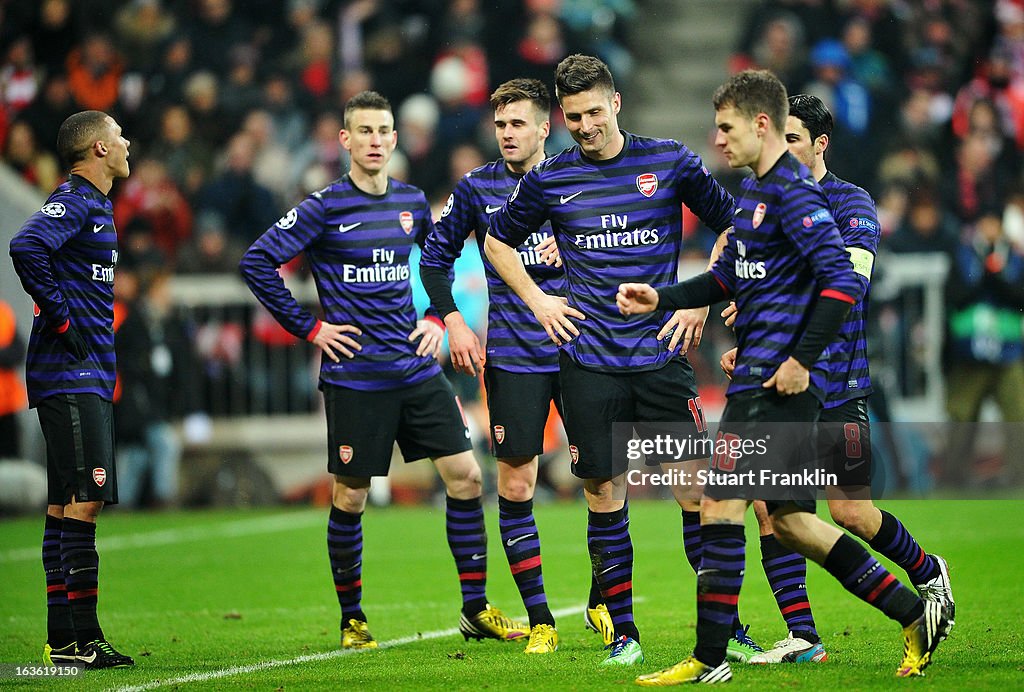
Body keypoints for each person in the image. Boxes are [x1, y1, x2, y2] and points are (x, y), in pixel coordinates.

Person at [617, 70, 952, 685]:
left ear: (759, 124)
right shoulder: (754, 195)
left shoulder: (798, 195)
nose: (717, 140)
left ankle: (710, 658)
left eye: (726, 127)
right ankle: (911, 613)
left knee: (724, 503)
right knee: (792, 522)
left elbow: (844, 280)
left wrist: (801, 360)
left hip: (785, 383)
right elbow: (729, 280)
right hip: (758, 381)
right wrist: (659, 297)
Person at [239, 90, 526, 650]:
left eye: (383, 131)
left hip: (415, 369)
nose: (375, 141)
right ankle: (352, 619)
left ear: (396, 139)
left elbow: (436, 263)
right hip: (356, 376)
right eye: (363, 131)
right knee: (351, 496)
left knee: (467, 477)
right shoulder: (323, 206)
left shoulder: (413, 202)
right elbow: (256, 261)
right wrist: (311, 328)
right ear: (345, 140)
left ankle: (475, 608)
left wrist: (437, 318)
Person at [484, 55, 740, 666]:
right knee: (604, 490)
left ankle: (723, 630)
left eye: (595, 112)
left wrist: (702, 299)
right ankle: (623, 634)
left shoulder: (670, 161)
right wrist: (539, 300)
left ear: (617, 103)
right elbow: (496, 240)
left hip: (660, 354)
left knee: (695, 493)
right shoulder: (549, 180)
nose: (585, 126)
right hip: (589, 360)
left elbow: (736, 225)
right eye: (573, 116)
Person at [718, 93, 955, 665]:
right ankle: (803, 634)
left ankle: (927, 575)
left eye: (793, 138)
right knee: (768, 508)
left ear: (820, 144)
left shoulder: (852, 204)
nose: (782, 147)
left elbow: (849, 287)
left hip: (839, 382)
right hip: (779, 383)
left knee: (849, 512)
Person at [422, 77, 598, 655]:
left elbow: (618, 248)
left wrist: (569, 255)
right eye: (500, 125)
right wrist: (450, 318)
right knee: (516, 482)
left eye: (518, 123)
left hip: (582, 351)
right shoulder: (476, 188)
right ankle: (541, 618)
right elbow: (433, 259)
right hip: (516, 357)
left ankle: (607, 602)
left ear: (545, 127)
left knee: (601, 480)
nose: (507, 134)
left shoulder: (581, 175)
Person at [9, 110, 135, 668]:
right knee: (84, 503)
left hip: (84, 372)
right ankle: (84, 638)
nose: (126, 140)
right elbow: (25, 246)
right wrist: (62, 319)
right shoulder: (76, 201)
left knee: (64, 505)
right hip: (70, 373)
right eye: (118, 134)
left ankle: (63, 638)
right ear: (99, 149)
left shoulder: (99, 206)